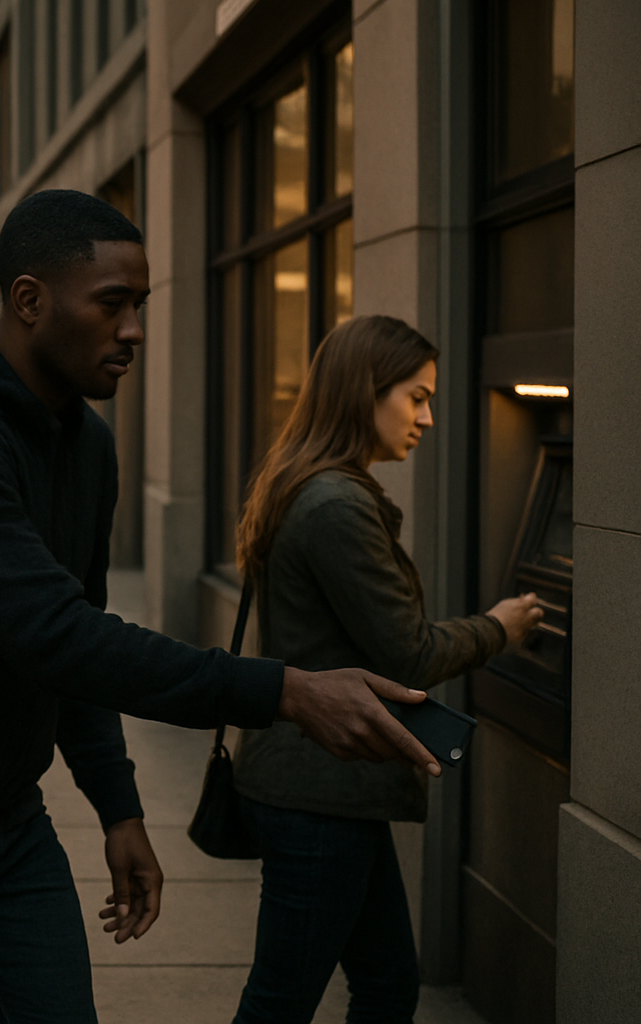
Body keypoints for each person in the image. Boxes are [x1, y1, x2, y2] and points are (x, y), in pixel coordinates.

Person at [0, 189, 443, 1024]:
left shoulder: (88, 443)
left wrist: (120, 810)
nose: (133, 329)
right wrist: (283, 690)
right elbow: (58, 637)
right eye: (112, 305)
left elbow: (79, 634)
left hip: (7, 825)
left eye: (141, 305)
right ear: (29, 301)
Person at [229, 316, 542, 1023]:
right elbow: (411, 653)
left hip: (325, 783)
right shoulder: (337, 503)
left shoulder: (306, 482)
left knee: (388, 984)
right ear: (364, 391)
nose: (428, 417)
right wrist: (501, 627)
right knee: (284, 1000)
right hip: (320, 793)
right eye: (417, 396)